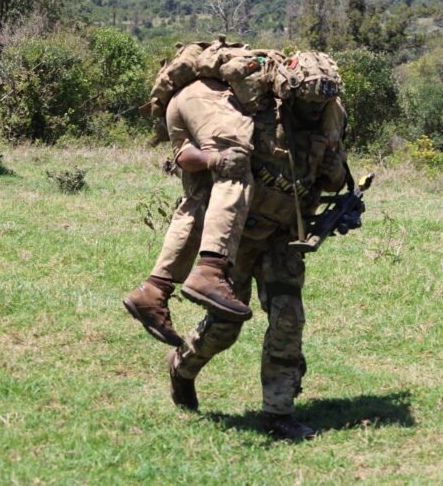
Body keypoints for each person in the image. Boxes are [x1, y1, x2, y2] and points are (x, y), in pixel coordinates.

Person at [166, 52, 349, 440]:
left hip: (283, 237)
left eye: (320, 104)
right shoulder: (251, 111)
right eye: (307, 103)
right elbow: (189, 155)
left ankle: (278, 413)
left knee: (288, 319)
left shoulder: (331, 117)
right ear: (289, 94)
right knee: (225, 326)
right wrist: (217, 160)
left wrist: (334, 169)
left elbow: (333, 178)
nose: (314, 110)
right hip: (239, 236)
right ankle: (182, 366)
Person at [122, 77, 257, 347]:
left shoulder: (191, 81)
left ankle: (153, 290)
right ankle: (211, 270)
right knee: (235, 165)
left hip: (182, 100)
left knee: (198, 200)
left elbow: (184, 157)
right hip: (206, 97)